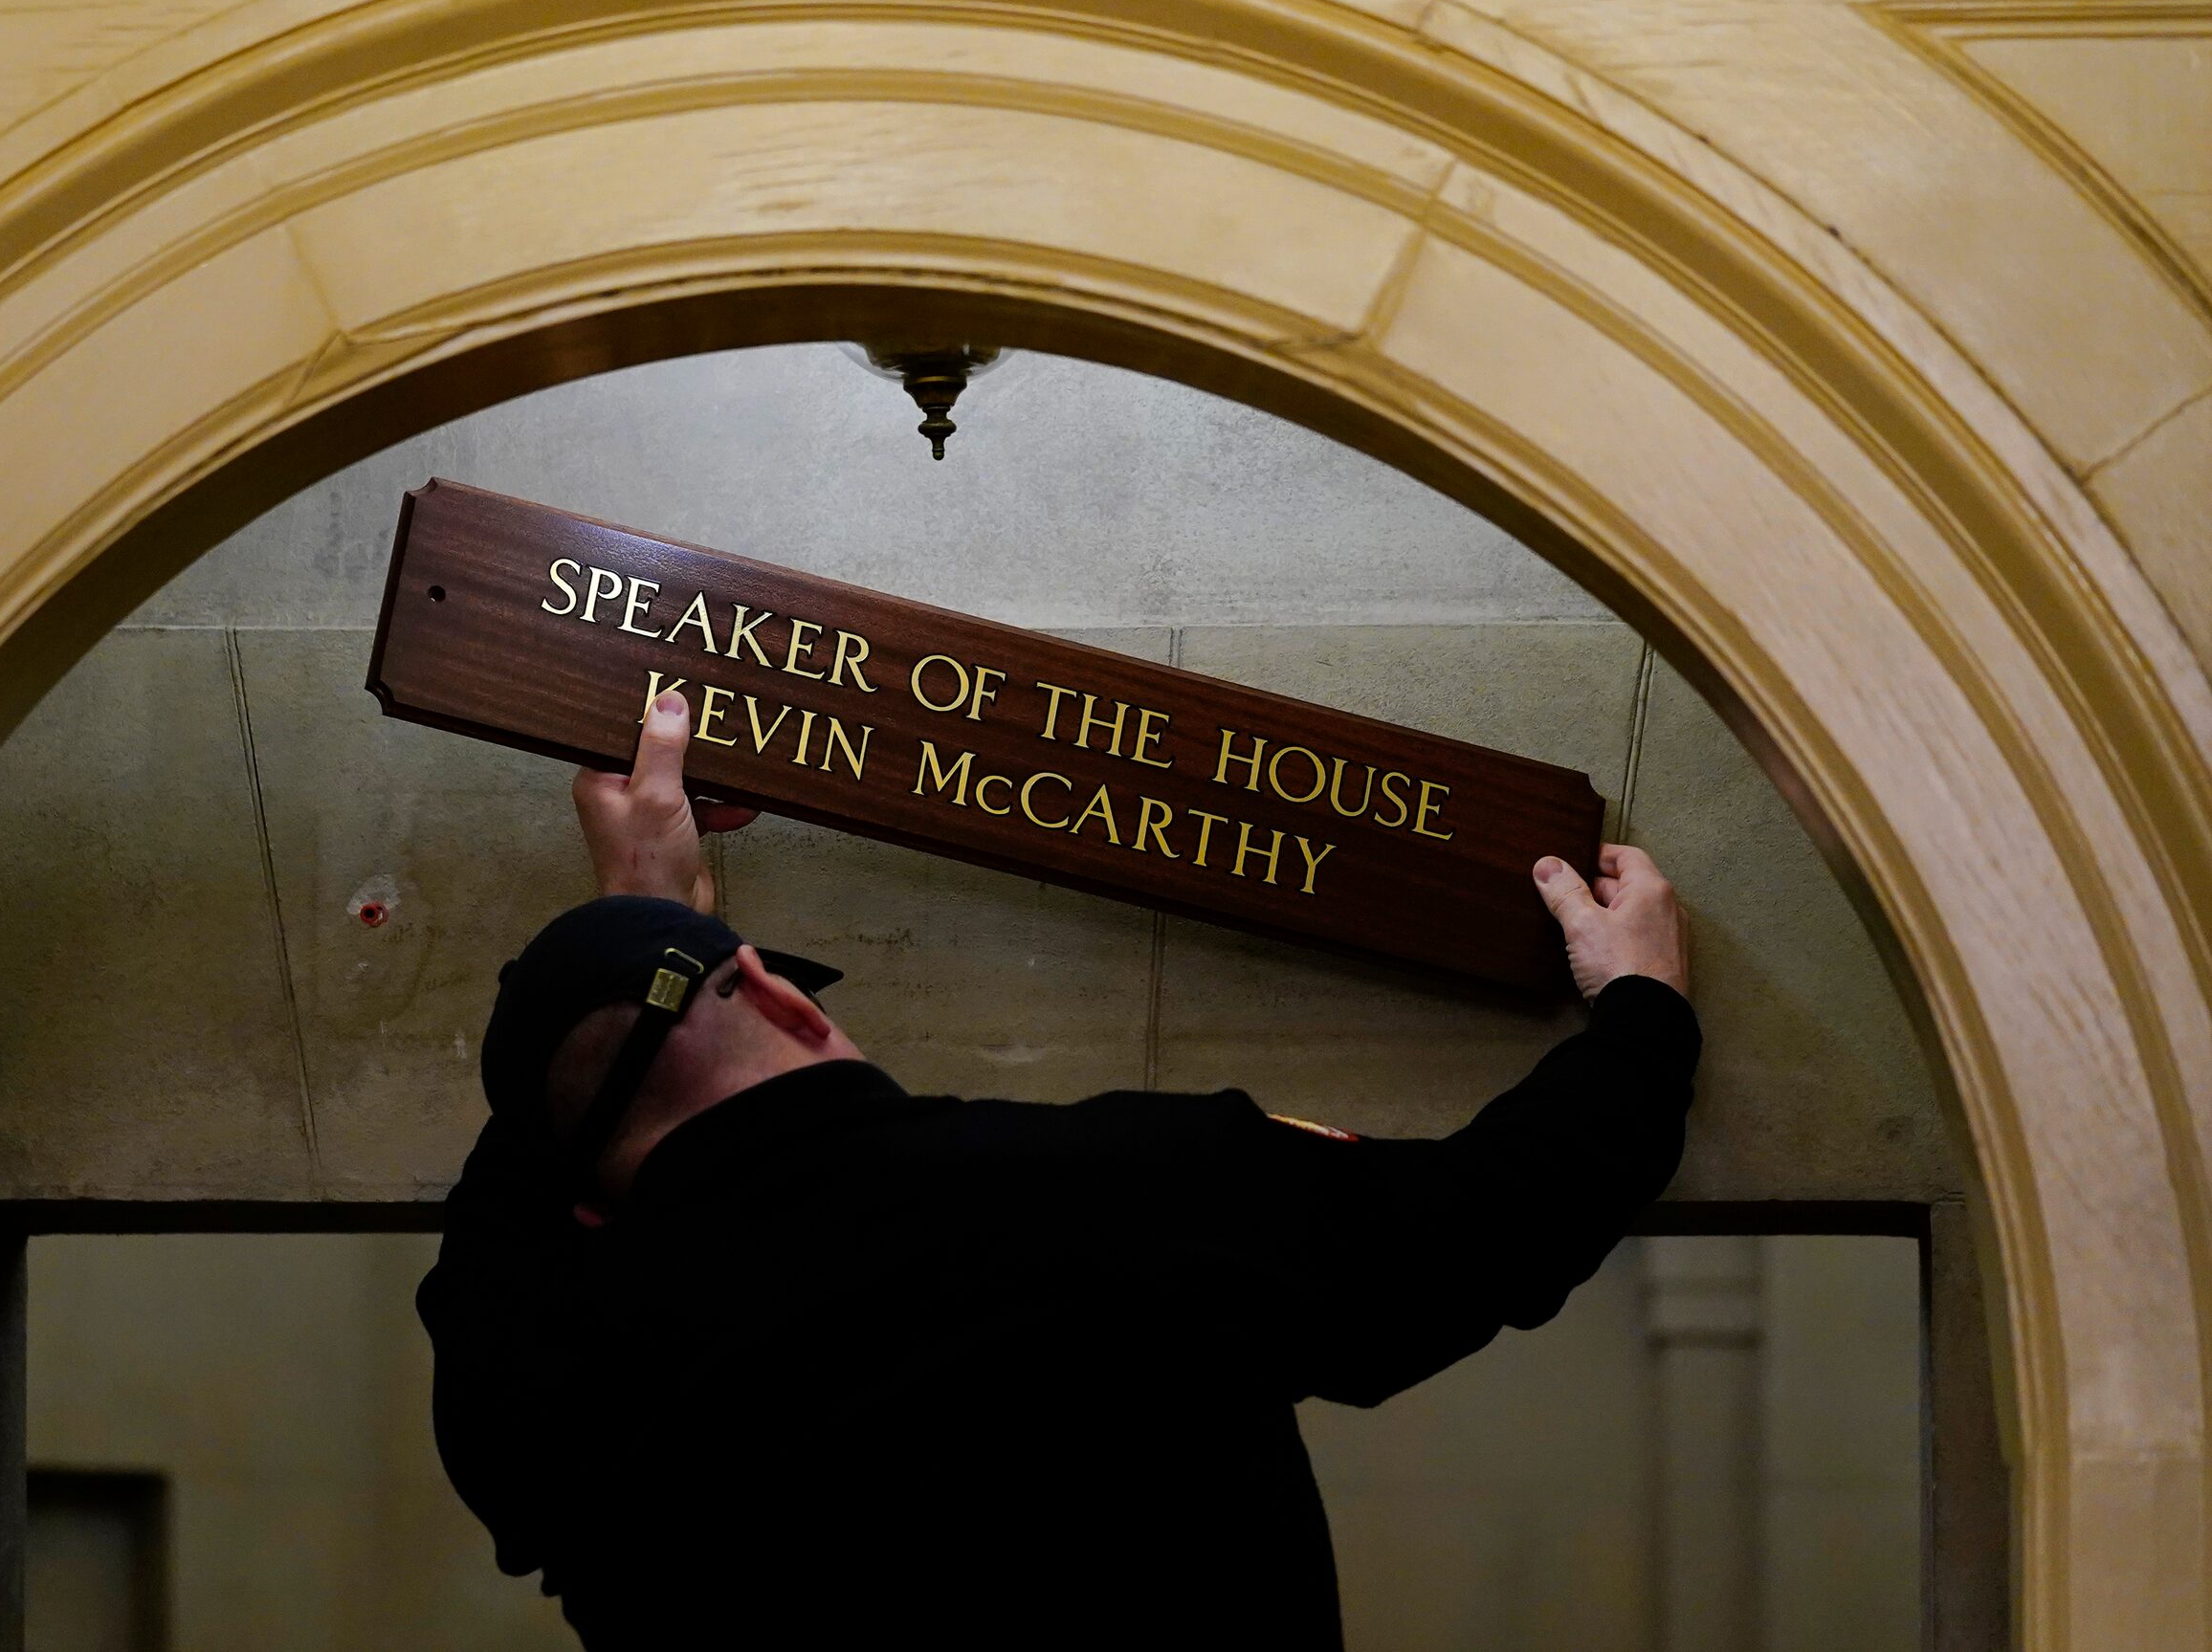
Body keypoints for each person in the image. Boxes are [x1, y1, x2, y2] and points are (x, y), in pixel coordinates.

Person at [419, 689, 1696, 1649]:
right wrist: (1639, 1009)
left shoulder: (540, 1387)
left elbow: (497, 1228)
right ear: (786, 1002)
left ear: (587, 1196)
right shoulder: (1121, 1185)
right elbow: (1486, 1220)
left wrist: (621, 952)